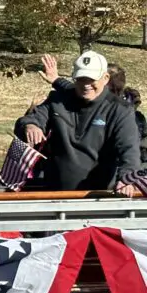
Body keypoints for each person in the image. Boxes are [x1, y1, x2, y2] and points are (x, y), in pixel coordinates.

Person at [16, 50, 140, 190]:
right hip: (54, 193)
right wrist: (31, 125)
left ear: (105, 78)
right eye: (81, 79)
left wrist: (127, 178)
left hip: (97, 195)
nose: (86, 84)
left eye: (91, 79)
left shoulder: (120, 110)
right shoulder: (57, 100)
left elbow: (129, 149)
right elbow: (30, 119)